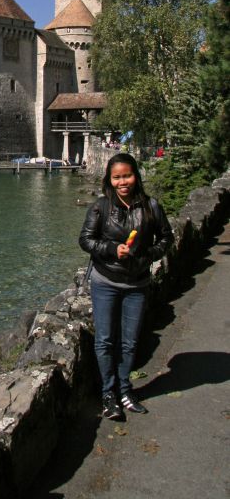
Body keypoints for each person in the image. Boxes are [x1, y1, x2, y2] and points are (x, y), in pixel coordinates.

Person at [79, 153, 173, 420]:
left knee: (130, 342)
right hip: (106, 281)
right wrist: (111, 249)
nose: (123, 182)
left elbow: (166, 238)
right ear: (110, 180)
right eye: (117, 177)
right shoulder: (101, 207)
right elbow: (86, 240)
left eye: (127, 176)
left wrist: (146, 257)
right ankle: (109, 393)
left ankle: (125, 390)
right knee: (105, 339)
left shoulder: (151, 207)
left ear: (136, 176)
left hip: (136, 283)